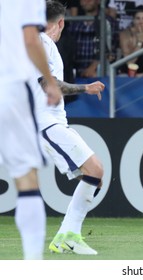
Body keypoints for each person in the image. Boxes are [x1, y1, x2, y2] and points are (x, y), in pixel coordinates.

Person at [28, 0, 105, 255]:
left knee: (93, 176)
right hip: (46, 122)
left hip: (50, 121)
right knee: (95, 170)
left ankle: (64, 236)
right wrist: (85, 87)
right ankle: (70, 235)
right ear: (61, 23)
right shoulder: (43, 43)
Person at [0, 0, 62, 259]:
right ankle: (33, 266)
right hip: (11, 87)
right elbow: (30, 38)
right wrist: (50, 81)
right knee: (27, 180)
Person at [69, 0, 118, 78]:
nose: (87, 1)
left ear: (98, 1)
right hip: (77, 72)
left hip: (101, 72)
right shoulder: (75, 24)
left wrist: (92, 68)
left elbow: (110, 49)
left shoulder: (109, 22)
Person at [119, 5, 143, 76]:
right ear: (133, 20)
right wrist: (140, 42)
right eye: (138, 18)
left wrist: (142, 75)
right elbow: (130, 62)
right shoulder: (125, 34)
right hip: (127, 73)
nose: (141, 22)